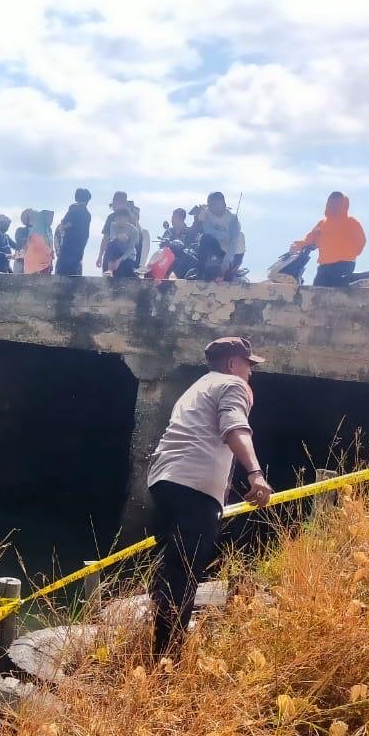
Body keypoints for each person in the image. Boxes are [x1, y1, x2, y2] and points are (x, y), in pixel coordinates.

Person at [146, 337, 273, 657]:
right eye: (248, 364)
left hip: (163, 481)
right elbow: (235, 427)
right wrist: (255, 473)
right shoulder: (233, 385)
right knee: (184, 575)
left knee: (171, 569)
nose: (250, 373)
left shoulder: (196, 388)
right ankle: (165, 660)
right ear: (232, 364)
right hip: (194, 487)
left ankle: (153, 645)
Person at [292, 192, 366, 287]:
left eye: (337, 202)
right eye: (332, 202)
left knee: (337, 294)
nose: (334, 205)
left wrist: (352, 253)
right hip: (325, 266)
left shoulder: (351, 222)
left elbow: (361, 240)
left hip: (344, 265)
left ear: (343, 204)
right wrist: (296, 245)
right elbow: (310, 240)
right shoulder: (322, 224)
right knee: (316, 294)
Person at [191, 192, 242, 281]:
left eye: (216, 205)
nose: (213, 208)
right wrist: (225, 235)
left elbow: (234, 242)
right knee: (205, 238)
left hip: (232, 251)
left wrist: (226, 262)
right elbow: (208, 231)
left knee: (240, 239)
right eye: (211, 205)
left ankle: (231, 270)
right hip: (218, 247)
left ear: (224, 205)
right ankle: (200, 272)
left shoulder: (232, 218)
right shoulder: (207, 214)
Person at [55, 188, 92, 276]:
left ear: (76, 198)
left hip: (68, 247)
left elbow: (62, 227)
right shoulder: (88, 214)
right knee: (74, 275)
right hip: (79, 249)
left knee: (61, 275)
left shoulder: (73, 210)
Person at [97, 190, 131, 274]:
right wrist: (100, 256)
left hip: (124, 258)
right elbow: (106, 238)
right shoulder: (111, 217)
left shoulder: (131, 218)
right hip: (110, 256)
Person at [102, 206, 140, 277]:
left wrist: (119, 261)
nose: (118, 221)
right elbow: (112, 241)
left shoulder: (134, 230)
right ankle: (109, 270)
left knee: (127, 271)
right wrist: (117, 237)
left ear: (126, 218)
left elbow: (130, 249)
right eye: (116, 219)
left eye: (120, 218)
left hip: (128, 256)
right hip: (115, 254)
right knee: (112, 243)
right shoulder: (113, 225)